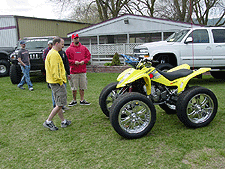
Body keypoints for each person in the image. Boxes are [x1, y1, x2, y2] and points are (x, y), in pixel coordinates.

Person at [43, 37, 71, 131]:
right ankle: (48, 121)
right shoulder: (54, 54)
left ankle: (63, 121)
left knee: (58, 103)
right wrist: (60, 82)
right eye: (61, 44)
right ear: (56, 43)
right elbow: (56, 71)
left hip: (53, 81)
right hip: (57, 82)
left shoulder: (52, 53)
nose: (62, 46)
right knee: (60, 104)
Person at [66, 33, 91, 106]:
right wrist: (74, 62)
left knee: (82, 86)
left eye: (77, 38)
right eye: (75, 38)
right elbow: (67, 60)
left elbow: (88, 56)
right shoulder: (69, 49)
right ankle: (74, 100)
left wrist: (84, 61)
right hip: (73, 71)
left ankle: (82, 100)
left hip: (82, 71)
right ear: (72, 39)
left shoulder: (83, 48)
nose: (76, 39)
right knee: (74, 87)